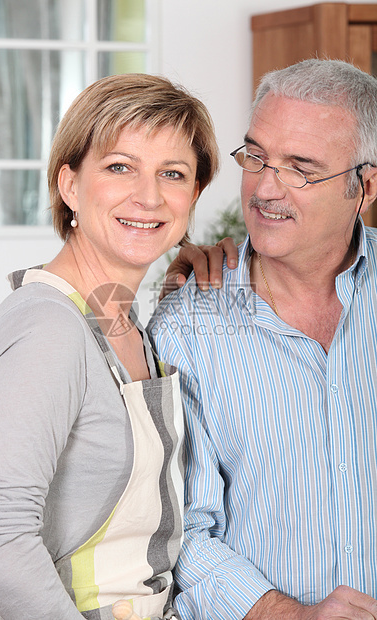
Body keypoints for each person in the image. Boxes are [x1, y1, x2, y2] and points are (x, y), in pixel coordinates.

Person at [0, 73, 219, 620]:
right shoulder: (46, 328)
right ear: (69, 184)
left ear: (194, 196)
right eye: (119, 166)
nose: (148, 196)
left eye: (172, 174)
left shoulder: (123, 324)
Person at [148, 59, 377, 619]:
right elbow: (178, 529)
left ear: (364, 186)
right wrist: (291, 614)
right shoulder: (186, 324)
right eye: (255, 157)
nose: (264, 189)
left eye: (301, 168)